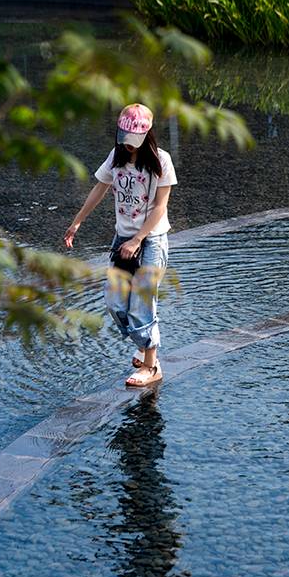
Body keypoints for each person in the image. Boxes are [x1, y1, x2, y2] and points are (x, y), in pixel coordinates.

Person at [63, 103, 177, 387]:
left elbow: (160, 207)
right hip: (122, 239)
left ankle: (151, 366)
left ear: (147, 135)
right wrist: (77, 222)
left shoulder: (161, 160)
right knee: (115, 303)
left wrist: (138, 240)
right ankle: (144, 345)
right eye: (125, 137)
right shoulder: (115, 157)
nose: (128, 144)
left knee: (141, 303)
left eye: (134, 139)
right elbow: (99, 188)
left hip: (151, 240)